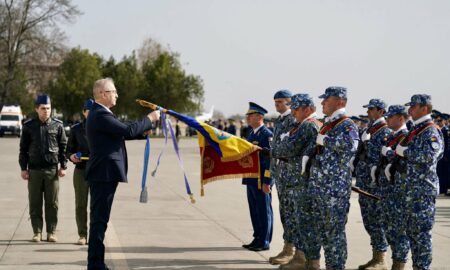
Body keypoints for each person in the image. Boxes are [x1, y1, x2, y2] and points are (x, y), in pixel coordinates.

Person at [85, 78, 160, 270]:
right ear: (103, 94)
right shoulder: (100, 114)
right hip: (104, 174)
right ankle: (95, 264)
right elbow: (126, 129)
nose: (117, 95)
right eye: (113, 91)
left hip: (105, 174)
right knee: (99, 221)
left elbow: (124, 132)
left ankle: (96, 263)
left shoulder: (101, 113)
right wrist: (150, 119)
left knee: (100, 220)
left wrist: (143, 132)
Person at [307, 86, 359, 270]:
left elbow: (350, 147)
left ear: (340, 102)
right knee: (322, 232)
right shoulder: (328, 124)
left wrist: (325, 140)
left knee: (334, 234)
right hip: (320, 188)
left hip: (334, 191)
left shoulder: (347, 125)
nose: (322, 103)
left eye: (326, 100)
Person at [270, 93, 321, 270]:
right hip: (293, 179)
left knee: (304, 222)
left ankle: (304, 259)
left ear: (307, 109)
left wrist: (278, 146)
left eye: (296, 108)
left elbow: (287, 149)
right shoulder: (300, 125)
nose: (293, 111)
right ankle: (300, 257)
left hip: (300, 181)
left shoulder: (308, 126)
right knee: (298, 220)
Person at [400, 94, 443, 270]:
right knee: (413, 233)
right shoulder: (417, 129)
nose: (410, 110)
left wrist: (405, 152)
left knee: (422, 235)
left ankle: (422, 267)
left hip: (423, 191)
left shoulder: (431, 131)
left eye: (414, 106)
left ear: (425, 108)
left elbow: (429, 156)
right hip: (412, 190)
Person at [19, 94, 67, 243]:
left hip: (52, 171)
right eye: (43, 108)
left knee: (52, 203)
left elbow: (63, 147)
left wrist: (63, 166)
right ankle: (37, 232)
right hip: (34, 170)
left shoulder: (58, 125)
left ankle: (51, 232)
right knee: (35, 202)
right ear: (36, 109)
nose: (46, 111)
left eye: (48, 108)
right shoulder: (28, 126)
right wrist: (23, 168)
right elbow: (23, 149)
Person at [356, 99, 391, 270]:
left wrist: (367, 143)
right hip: (364, 182)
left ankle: (381, 259)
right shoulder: (370, 129)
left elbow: (381, 156)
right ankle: (375, 256)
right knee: (368, 220)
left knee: (376, 220)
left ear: (381, 111)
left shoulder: (385, 130)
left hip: (375, 183)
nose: (368, 112)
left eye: (371, 109)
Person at [266, 89, 297, 265]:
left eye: (279, 102)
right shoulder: (280, 120)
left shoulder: (293, 120)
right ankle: (287, 247)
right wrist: (270, 176)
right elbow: (274, 151)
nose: (276, 105)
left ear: (289, 102)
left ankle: (292, 250)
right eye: (275, 102)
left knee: (292, 213)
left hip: (291, 175)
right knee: (285, 213)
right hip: (281, 174)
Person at [379, 105, 410, 270]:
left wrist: (388, 153)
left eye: (390, 117)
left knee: (399, 230)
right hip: (388, 190)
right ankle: (394, 262)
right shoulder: (392, 136)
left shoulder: (405, 137)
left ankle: (400, 265)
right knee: (389, 229)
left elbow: (404, 161)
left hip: (398, 190)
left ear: (401, 118)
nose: (387, 120)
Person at [241, 102, 273, 252]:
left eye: (251, 115)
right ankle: (257, 237)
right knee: (254, 209)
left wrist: (267, 181)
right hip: (251, 178)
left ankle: (264, 240)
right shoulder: (251, 133)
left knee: (263, 210)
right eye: (248, 115)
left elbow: (270, 161)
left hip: (261, 179)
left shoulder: (267, 135)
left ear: (259, 117)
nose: (248, 118)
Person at [66, 98, 94, 245]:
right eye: (89, 110)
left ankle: (95, 236)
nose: (92, 113)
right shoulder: (76, 129)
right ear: (84, 112)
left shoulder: (102, 128)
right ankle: (82, 235)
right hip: (81, 170)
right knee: (81, 204)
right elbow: (68, 150)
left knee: (95, 205)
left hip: (97, 171)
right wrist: (71, 156)